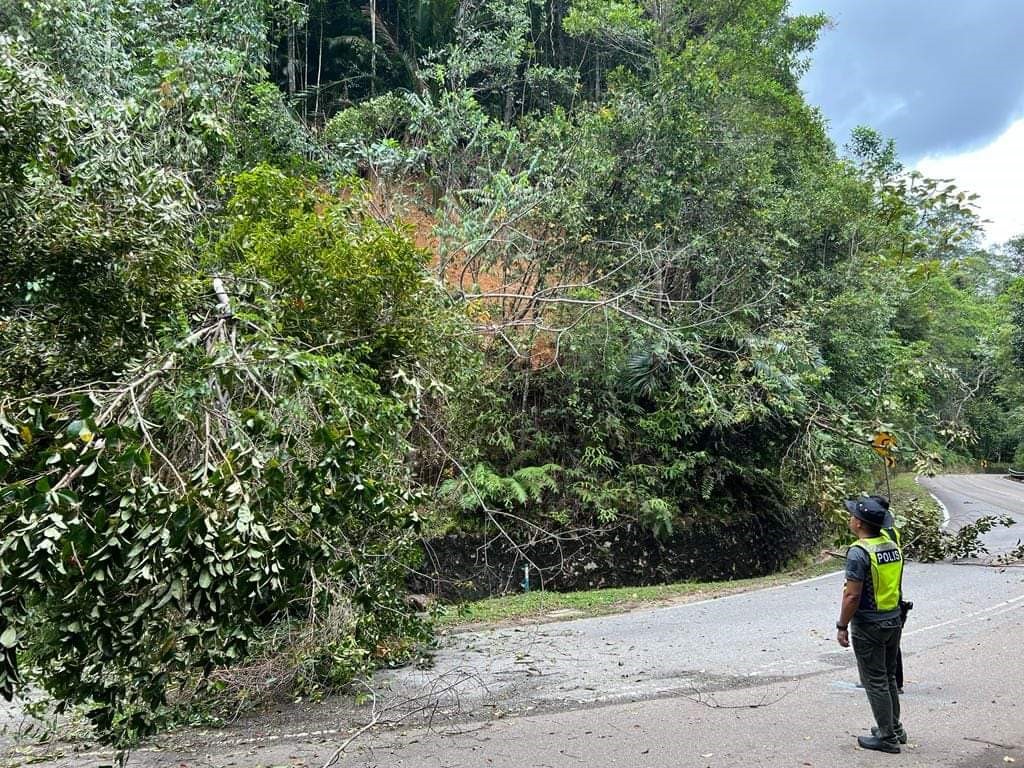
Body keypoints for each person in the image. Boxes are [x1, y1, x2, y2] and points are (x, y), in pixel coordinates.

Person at [836, 495, 907, 753]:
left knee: (874, 680)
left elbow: (852, 595)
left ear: (859, 523)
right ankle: (895, 729)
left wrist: (842, 625)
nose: (850, 517)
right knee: (887, 676)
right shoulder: (891, 545)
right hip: (893, 619)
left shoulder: (859, 552)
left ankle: (886, 737)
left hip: (869, 625)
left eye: (853, 514)